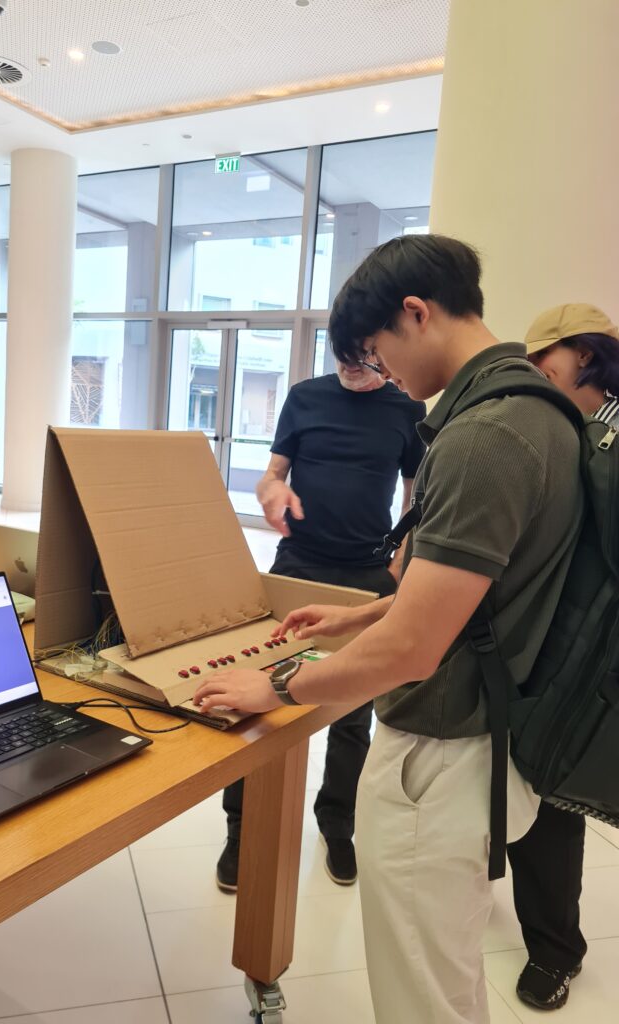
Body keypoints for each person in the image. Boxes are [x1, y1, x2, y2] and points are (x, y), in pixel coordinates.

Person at [193, 234, 584, 1024]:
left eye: (378, 352)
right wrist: (359, 613)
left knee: (421, 997)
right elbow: (466, 590)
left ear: (416, 312)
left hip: (444, 751)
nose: (383, 372)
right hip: (487, 732)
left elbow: (413, 647)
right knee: (443, 979)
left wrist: (276, 687)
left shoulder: (485, 436)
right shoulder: (532, 409)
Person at [216, 361, 425, 892]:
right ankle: (241, 828)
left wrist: (402, 556)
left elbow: (415, 495)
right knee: (260, 700)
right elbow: (272, 474)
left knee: (351, 712)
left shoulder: (406, 408)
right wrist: (270, 491)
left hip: (366, 572)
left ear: (382, 352)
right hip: (298, 566)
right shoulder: (305, 396)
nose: (351, 367)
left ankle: (337, 824)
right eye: (342, 355)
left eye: (363, 357)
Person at [504, 303, 619, 1012]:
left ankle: (555, 950)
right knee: (513, 785)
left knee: (549, 797)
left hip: (584, 651)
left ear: (586, 355)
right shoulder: (571, 430)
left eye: (546, 361)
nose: (537, 375)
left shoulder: (607, 435)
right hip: (535, 637)